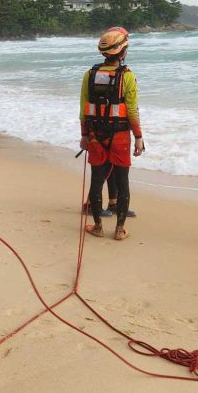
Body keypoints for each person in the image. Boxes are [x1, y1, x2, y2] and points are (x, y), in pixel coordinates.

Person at [80, 27, 145, 240]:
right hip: (120, 138)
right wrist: (138, 137)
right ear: (123, 52)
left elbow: (83, 109)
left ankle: (98, 226)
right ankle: (119, 230)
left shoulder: (89, 75)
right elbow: (132, 111)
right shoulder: (127, 77)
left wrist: (84, 135)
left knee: (97, 180)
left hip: (95, 137)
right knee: (122, 180)